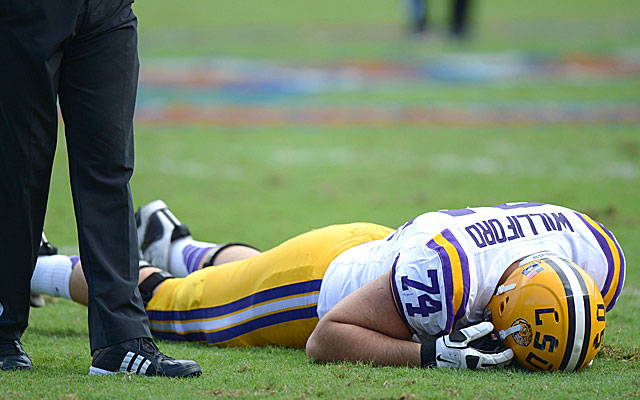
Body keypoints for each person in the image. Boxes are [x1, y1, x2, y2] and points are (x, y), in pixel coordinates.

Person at [31, 201, 625, 371]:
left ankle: (174, 241)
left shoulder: (599, 258)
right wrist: (435, 355)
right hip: (324, 285)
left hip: (375, 248)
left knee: (247, 276)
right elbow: (327, 336)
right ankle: (31, 268)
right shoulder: (446, 281)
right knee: (166, 308)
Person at [0, 1, 200, 377]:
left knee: (109, 168)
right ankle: (2, 325)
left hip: (107, 11)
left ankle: (121, 341)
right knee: (18, 164)